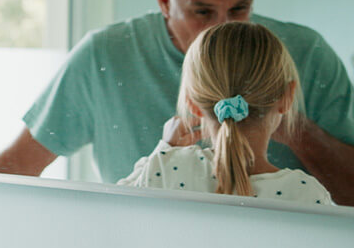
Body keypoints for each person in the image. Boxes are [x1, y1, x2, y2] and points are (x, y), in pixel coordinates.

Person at [0, 0, 354, 208]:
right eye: (202, 11)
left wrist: (293, 129)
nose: (221, 28)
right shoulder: (103, 57)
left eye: (239, 8)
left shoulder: (306, 54)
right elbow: (10, 174)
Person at [119, 22, 333, 204]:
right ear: (287, 98)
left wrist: (165, 150)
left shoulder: (167, 168)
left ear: (192, 103)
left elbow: (117, 207)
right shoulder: (305, 194)